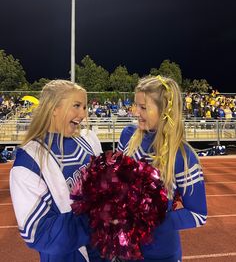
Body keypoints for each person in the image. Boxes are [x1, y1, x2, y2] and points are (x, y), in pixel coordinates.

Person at [10, 80, 103, 262]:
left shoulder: (89, 141)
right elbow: (38, 232)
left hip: (103, 253)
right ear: (53, 108)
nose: (83, 114)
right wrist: (99, 218)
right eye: (76, 106)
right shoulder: (29, 161)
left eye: (84, 107)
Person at [117, 75, 207, 262]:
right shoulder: (128, 136)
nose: (135, 112)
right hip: (123, 249)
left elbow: (198, 214)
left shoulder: (182, 156)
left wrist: (152, 222)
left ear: (165, 111)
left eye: (143, 107)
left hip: (160, 254)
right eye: (136, 105)